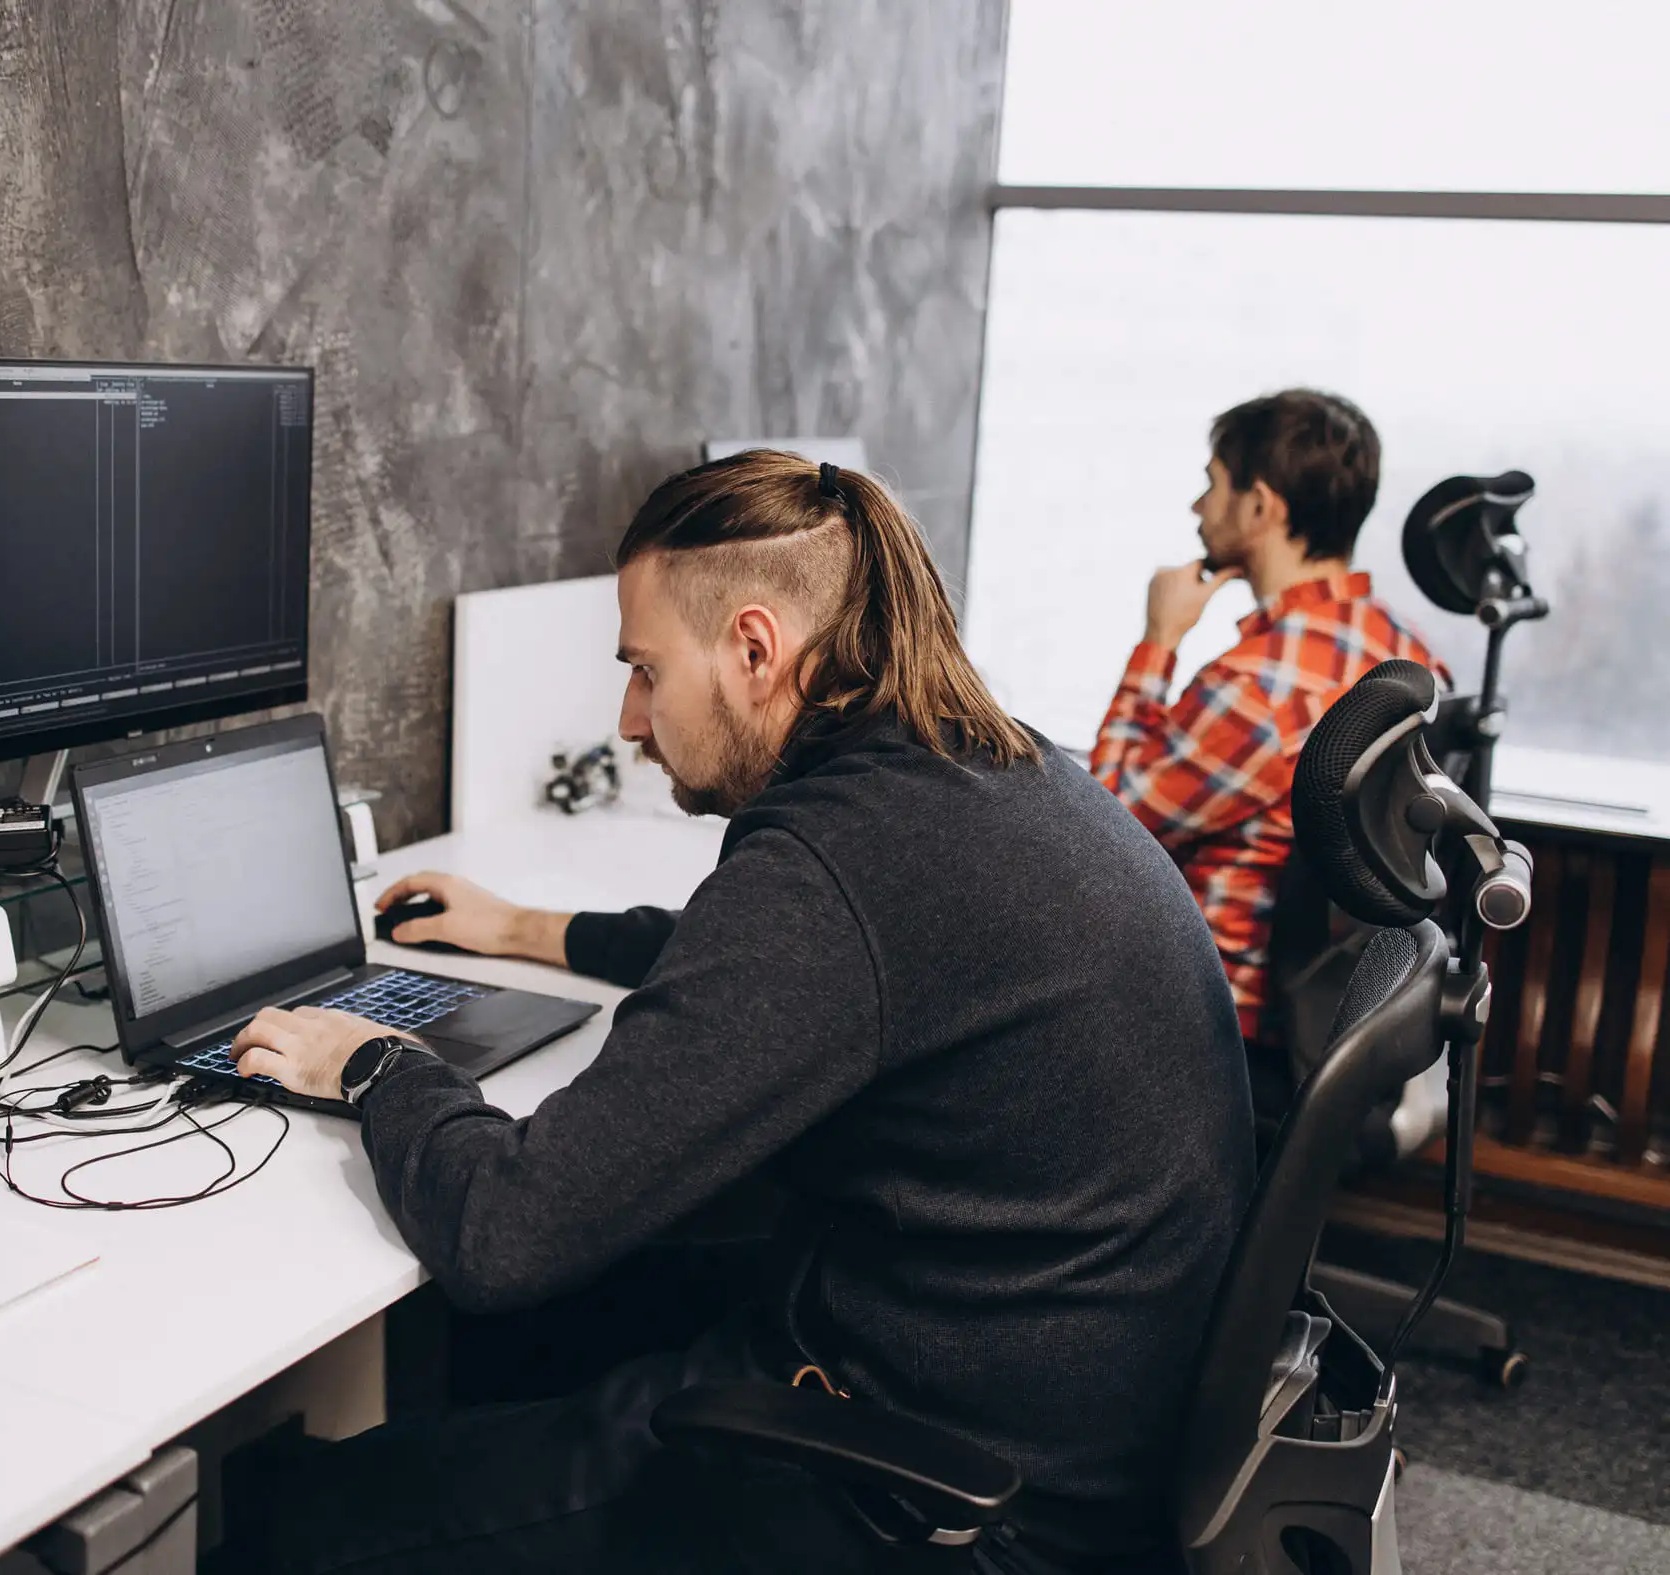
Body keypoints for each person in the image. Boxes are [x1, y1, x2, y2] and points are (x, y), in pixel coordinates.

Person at [226, 451, 1255, 1574]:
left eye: (644, 671)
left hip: (939, 1498)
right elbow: (800, 976)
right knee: (510, 1339)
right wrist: (533, 930)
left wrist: (380, 1065)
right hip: (1047, 1412)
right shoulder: (971, 770)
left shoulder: (831, 860)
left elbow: (505, 1232)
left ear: (754, 651)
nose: (628, 718)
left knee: (300, 1523)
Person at [1091, 389, 1447, 1067]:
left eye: (1211, 484)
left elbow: (1101, 830)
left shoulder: (1256, 688)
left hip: (1208, 1025)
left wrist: (1157, 640)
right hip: (1329, 1017)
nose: (1198, 507)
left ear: (1259, 508)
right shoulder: (1410, 653)